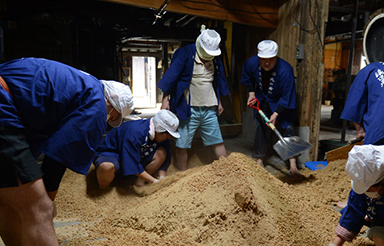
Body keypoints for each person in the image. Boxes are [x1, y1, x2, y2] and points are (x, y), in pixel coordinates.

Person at [0, 57, 134, 246]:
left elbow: (30, 152)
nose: (107, 122)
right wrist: (48, 199)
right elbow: (58, 156)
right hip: (3, 105)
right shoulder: (95, 103)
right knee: (39, 207)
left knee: (9, 199)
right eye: (112, 119)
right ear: (111, 108)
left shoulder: (77, 85)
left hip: (9, 102)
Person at [157, 26, 230, 171]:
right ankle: (183, 173)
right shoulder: (185, 53)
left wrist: (219, 102)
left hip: (210, 107)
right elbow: (172, 76)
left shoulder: (215, 59)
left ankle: (228, 171)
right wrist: (165, 99)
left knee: (217, 141)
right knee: (182, 143)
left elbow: (218, 81)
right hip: (189, 108)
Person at [240, 40, 301, 176]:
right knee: (261, 126)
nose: (266, 63)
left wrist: (276, 114)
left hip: (282, 102)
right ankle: (260, 159)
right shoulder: (252, 63)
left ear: (276, 58)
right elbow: (248, 76)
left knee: (288, 128)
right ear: (258, 57)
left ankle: (292, 164)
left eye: (270, 60)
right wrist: (251, 93)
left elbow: (286, 96)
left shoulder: (285, 70)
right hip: (264, 98)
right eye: (263, 60)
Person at [93, 109, 179, 189]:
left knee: (161, 153)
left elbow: (166, 157)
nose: (169, 137)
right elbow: (131, 163)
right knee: (106, 167)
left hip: (135, 156)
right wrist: (155, 182)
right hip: (113, 154)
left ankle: (139, 183)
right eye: (167, 133)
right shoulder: (134, 132)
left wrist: (162, 178)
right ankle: (104, 191)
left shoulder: (161, 135)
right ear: (159, 128)